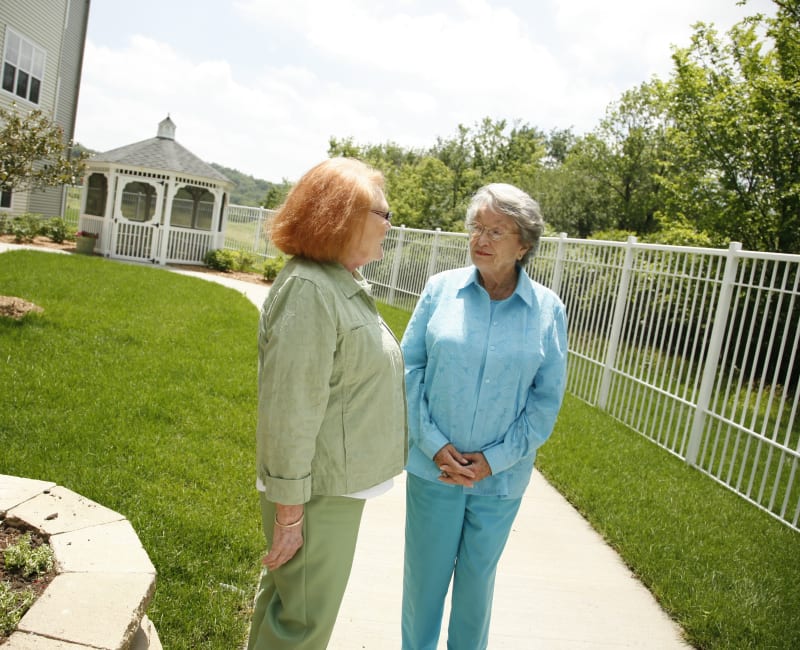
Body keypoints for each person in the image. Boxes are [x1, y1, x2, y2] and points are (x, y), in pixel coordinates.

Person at [247, 157, 408, 650]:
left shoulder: (334, 283)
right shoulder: (312, 291)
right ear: (342, 216)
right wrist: (290, 516)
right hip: (317, 495)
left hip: (327, 488)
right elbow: (291, 410)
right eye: (382, 213)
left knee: (290, 605)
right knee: (303, 624)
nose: (389, 226)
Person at [400, 183, 568, 649]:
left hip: (499, 482)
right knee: (423, 589)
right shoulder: (440, 290)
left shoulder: (548, 309)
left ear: (524, 245)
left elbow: (545, 400)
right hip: (434, 470)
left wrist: (492, 461)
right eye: (477, 227)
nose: (481, 238)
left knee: (476, 593)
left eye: (496, 230)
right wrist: (433, 444)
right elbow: (408, 370)